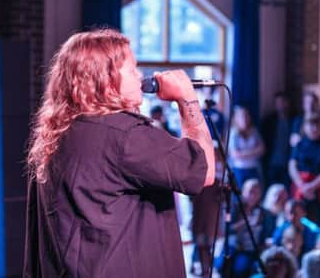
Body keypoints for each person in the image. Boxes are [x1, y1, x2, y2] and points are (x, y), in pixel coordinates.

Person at [23, 29, 215, 278]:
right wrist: (187, 98)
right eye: (132, 69)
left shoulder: (55, 136)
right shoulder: (126, 136)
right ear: (106, 79)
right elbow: (205, 171)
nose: (140, 76)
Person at [289, 114, 320, 227]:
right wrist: (302, 186)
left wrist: (312, 186)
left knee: (318, 222)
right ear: (304, 127)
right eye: (311, 125)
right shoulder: (299, 145)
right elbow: (292, 166)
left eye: (317, 125)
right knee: (298, 218)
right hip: (300, 187)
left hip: (318, 188)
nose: (314, 128)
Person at [229, 105, 265, 190]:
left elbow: (262, 149)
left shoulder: (254, 131)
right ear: (236, 118)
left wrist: (243, 153)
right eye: (242, 116)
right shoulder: (233, 133)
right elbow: (234, 155)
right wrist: (253, 152)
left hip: (253, 169)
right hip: (239, 170)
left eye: (246, 115)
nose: (244, 118)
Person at [261, 91, 293, 187]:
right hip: (272, 163)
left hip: (288, 163)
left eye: (283, 102)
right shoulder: (269, 121)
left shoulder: (293, 120)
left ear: (287, 103)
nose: (280, 105)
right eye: (278, 103)